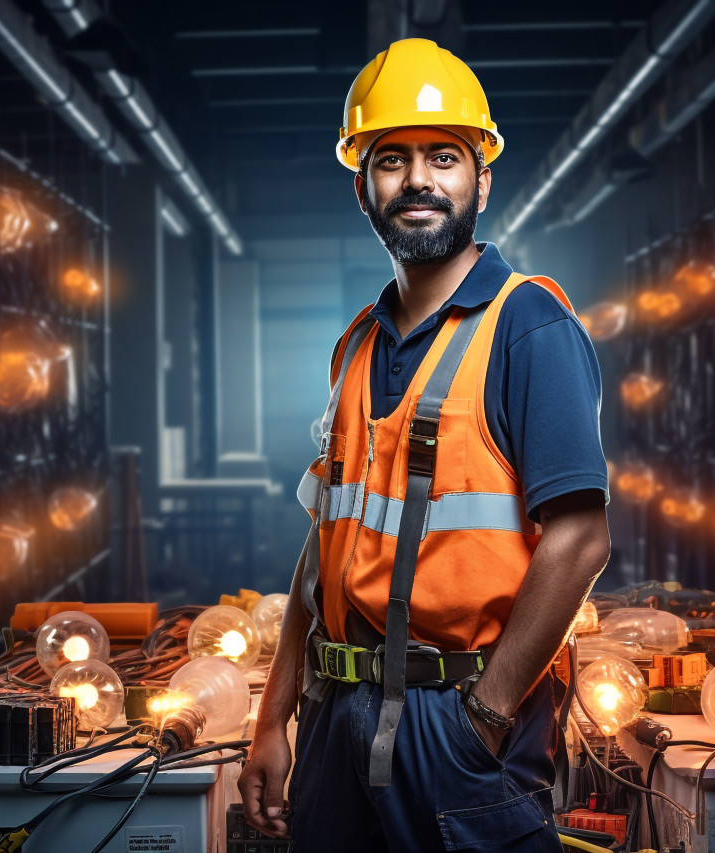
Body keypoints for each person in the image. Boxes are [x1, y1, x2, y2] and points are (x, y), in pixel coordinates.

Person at [238, 38, 610, 852]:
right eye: (391, 159)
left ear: (481, 177)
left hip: (459, 722)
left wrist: (485, 715)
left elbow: (581, 538)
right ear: (362, 188)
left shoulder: (528, 327)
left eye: (443, 157)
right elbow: (326, 542)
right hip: (334, 721)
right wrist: (275, 715)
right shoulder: (357, 346)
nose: (418, 181)